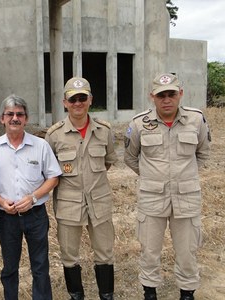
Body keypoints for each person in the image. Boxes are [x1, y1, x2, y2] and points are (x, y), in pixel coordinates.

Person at [124, 73, 211, 300]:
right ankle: (150, 292)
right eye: (161, 95)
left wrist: (185, 176)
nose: (167, 100)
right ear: (152, 97)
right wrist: (152, 177)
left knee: (187, 251)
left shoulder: (196, 119)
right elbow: (131, 157)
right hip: (152, 198)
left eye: (171, 94)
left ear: (180, 94)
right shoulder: (139, 123)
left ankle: (187, 293)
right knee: (150, 250)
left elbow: (202, 153)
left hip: (187, 197)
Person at [45, 77, 118, 300]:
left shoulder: (104, 131)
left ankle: (106, 295)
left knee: (105, 253)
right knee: (69, 255)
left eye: (82, 98)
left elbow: (107, 162)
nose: (78, 103)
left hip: (99, 201)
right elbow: (50, 171)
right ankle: (76, 295)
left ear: (90, 100)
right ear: (64, 102)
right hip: (69, 204)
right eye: (73, 99)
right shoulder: (54, 135)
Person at [0, 94, 62, 300]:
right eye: (10, 114)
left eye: (20, 114)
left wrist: (33, 197)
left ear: (26, 118)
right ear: (2, 118)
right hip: (7, 218)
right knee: (9, 268)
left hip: (36, 215)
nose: (15, 118)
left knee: (40, 266)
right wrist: (0, 201)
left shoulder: (40, 145)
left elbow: (53, 177)